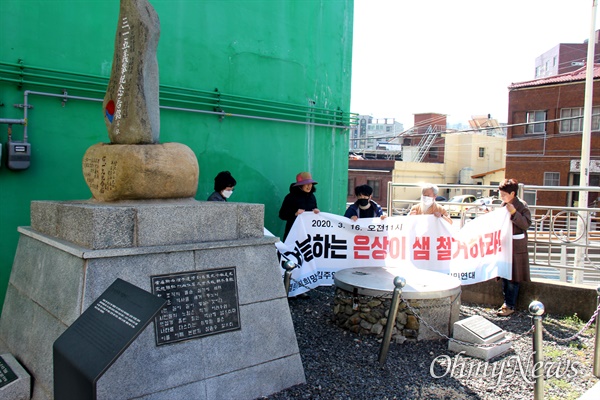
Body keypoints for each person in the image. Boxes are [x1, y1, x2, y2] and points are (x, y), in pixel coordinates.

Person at [497, 178, 532, 317]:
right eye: (501, 194)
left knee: (513, 277)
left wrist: (514, 213)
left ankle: (510, 305)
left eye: (504, 194)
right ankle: (506, 302)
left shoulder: (521, 206)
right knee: (505, 275)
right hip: (505, 245)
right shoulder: (503, 204)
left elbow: (526, 224)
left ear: (512, 193)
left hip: (516, 247)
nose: (502, 197)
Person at [279, 172, 320, 241]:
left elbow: (314, 209)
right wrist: (295, 213)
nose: (309, 186)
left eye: (311, 184)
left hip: (308, 233)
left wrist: (316, 212)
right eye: (306, 184)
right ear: (300, 185)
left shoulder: (312, 197)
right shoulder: (290, 197)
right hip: (293, 233)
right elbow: (282, 215)